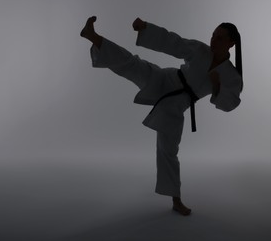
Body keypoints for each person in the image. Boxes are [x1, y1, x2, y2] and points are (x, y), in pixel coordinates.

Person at [80, 16, 243, 216]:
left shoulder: (232, 75)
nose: (213, 41)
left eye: (219, 38)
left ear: (231, 43)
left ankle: (176, 199)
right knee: (132, 64)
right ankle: (93, 36)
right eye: (213, 36)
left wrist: (217, 86)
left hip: (177, 105)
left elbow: (231, 103)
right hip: (165, 79)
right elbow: (174, 43)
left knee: (168, 150)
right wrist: (147, 29)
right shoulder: (200, 50)